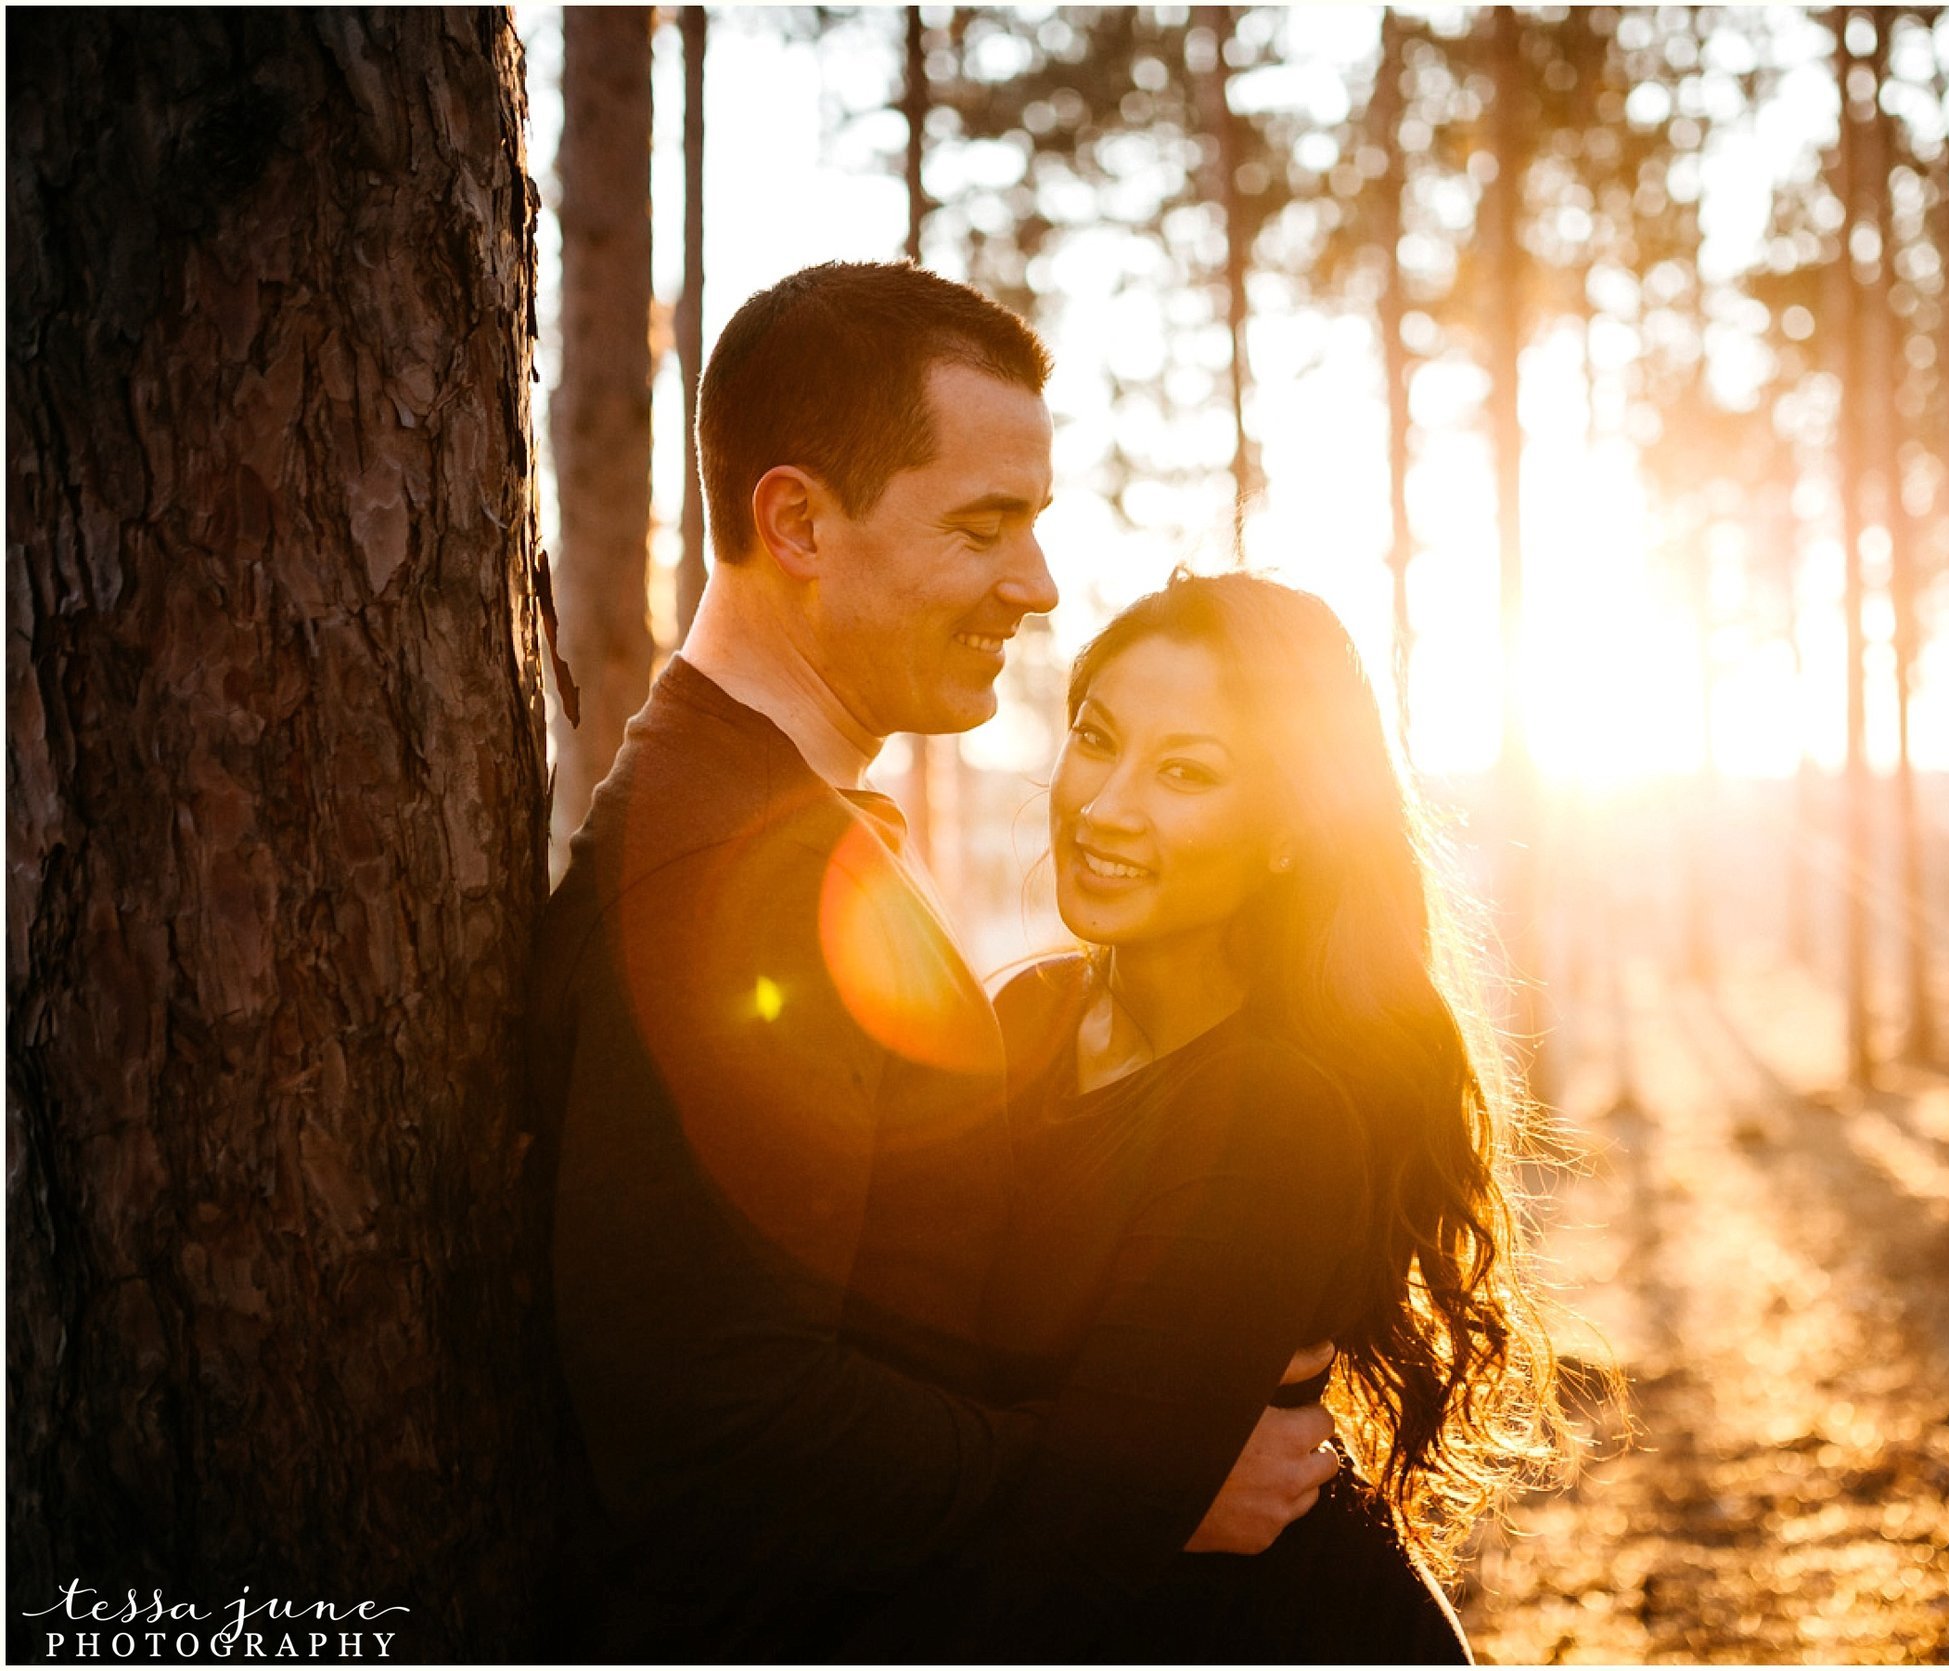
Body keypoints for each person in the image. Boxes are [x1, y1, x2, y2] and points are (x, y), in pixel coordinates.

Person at [525, 263, 1336, 1661]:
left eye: (1034, 523)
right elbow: (716, 1413)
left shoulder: (774, 812)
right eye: (984, 524)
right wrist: (1139, 1484)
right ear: (798, 522)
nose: (1036, 583)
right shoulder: (727, 876)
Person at [866, 573, 1566, 1662]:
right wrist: (1168, 1494)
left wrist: (1134, 1496)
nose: (1103, 806)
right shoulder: (1028, 1016)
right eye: (1096, 739)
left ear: (1288, 832)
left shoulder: (1273, 1116)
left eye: (1184, 773)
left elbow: (1067, 1558)